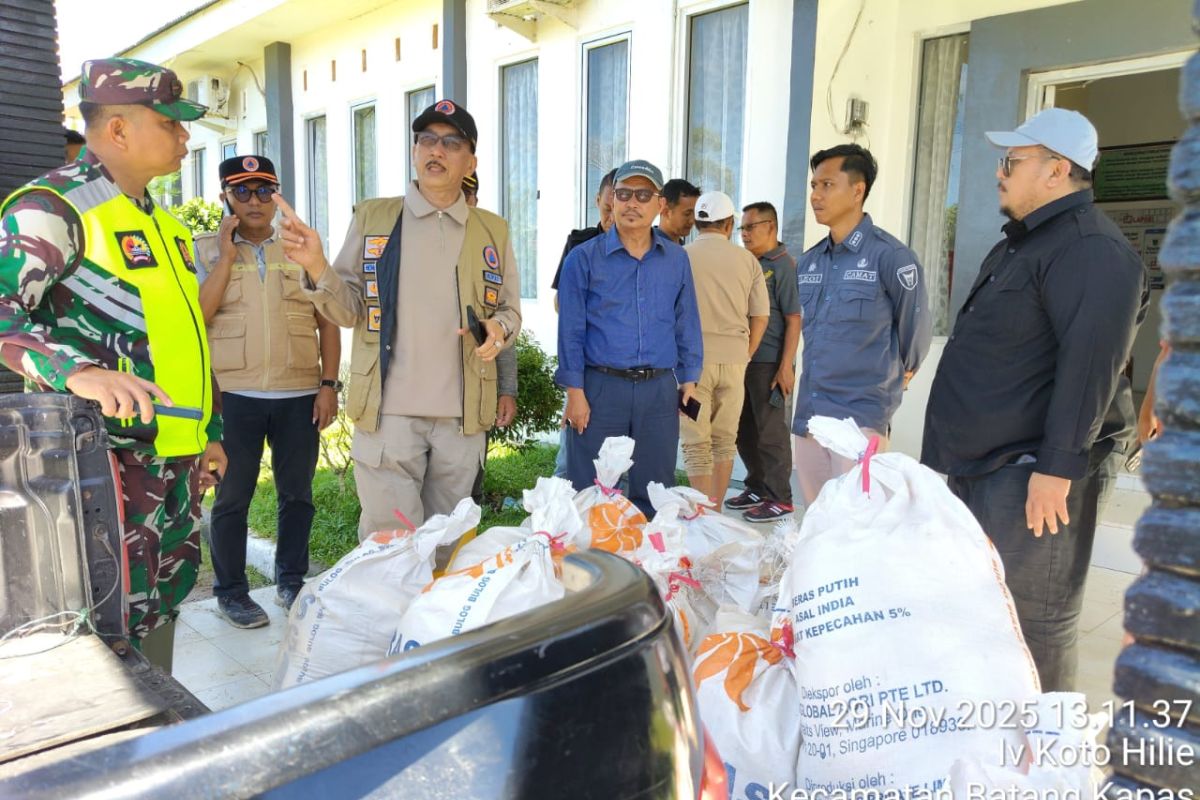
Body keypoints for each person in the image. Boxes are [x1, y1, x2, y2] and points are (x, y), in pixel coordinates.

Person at [0, 58, 225, 670]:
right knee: (109, 621)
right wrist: (78, 372)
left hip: (173, 462)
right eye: (171, 123)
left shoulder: (165, 224)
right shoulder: (55, 209)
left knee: (163, 603)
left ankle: (159, 729)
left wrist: (210, 434)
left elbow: (187, 342)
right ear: (118, 130)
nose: (185, 137)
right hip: (105, 468)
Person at [922, 108, 1147, 692]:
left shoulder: (1091, 248)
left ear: (1057, 170)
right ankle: (996, 741)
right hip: (984, 469)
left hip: (1031, 478)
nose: (1000, 173)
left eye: (1011, 162)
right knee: (985, 614)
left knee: (1036, 625)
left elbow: (1091, 365)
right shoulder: (1024, 245)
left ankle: (1046, 762)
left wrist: (1057, 467)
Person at [272, 99, 521, 540]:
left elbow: (508, 309)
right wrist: (317, 266)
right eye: (426, 139)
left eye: (451, 142)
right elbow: (348, 309)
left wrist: (499, 329)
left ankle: (439, 613)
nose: (436, 151)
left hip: (462, 419)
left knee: (449, 545)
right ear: (414, 150)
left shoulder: (492, 230)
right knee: (390, 547)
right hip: (389, 415)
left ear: (471, 160)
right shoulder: (375, 217)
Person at [193, 155, 340, 626]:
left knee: (297, 495)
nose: (254, 201)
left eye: (264, 191)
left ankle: (291, 581)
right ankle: (232, 592)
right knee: (232, 498)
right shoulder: (201, 251)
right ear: (225, 197)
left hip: (299, 393)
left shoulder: (302, 248)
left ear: (276, 195)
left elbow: (329, 320)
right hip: (232, 396)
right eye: (242, 191)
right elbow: (197, 317)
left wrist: (329, 385)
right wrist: (227, 256)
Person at [556, 159, 702, 516]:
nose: (632, 203)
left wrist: (690, 380)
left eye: (642, 194)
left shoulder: (676, 260)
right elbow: (570, 331)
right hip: (600, 389)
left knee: (655, 491)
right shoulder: (582, 259)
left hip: (658, 393)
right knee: (589, 490)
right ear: (612, 201)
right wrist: (575, 393)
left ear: (659, 205)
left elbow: (686, 321)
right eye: (623, 194)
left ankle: (646, 568)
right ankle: (589, 568)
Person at [793, 144, 931, 505]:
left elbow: (914, 337)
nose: (815, 195)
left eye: (827, 185)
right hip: (809, 416)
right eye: (813, 186)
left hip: (859, 420)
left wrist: (891, 387)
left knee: (858, 526)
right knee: (817, 523)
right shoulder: (809, 262)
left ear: (857, 190)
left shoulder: (891, 257)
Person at [680, 191, 768, 510]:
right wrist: (746, 352)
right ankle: (715, 513)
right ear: (729, 224)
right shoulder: (748, 260)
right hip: (734, 361)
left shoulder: (681, 257)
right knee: (724, 441)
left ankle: (700, 514)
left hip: (692, 365)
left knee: (695, 442)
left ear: (697, 223)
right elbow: (760, 314)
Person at [727, 201, 802, 522]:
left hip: (770, 363)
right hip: (742, 360)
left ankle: (779, 497)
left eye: (750, 227)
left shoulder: (782, 265)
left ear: (770, 226)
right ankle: (756, 487)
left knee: (770, 432)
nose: (744, 234)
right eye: (741, 228)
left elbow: (794, 318)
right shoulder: (746, 263)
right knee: (744, 430)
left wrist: (786, 366)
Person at [550, 167, 616, 478]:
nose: (614, 217)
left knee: (622, 454)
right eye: (607, 209)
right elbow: (560, 304)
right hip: (586, 362)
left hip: (631, 370)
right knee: (575, 443)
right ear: (597, 201)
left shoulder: (655, 250)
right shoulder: (579, 244)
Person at [656, 178, 700, 244]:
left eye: (695, 213)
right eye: (687, 214)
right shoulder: (646, 247)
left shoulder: (684, 249)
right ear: (666, 211)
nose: (692, 221)